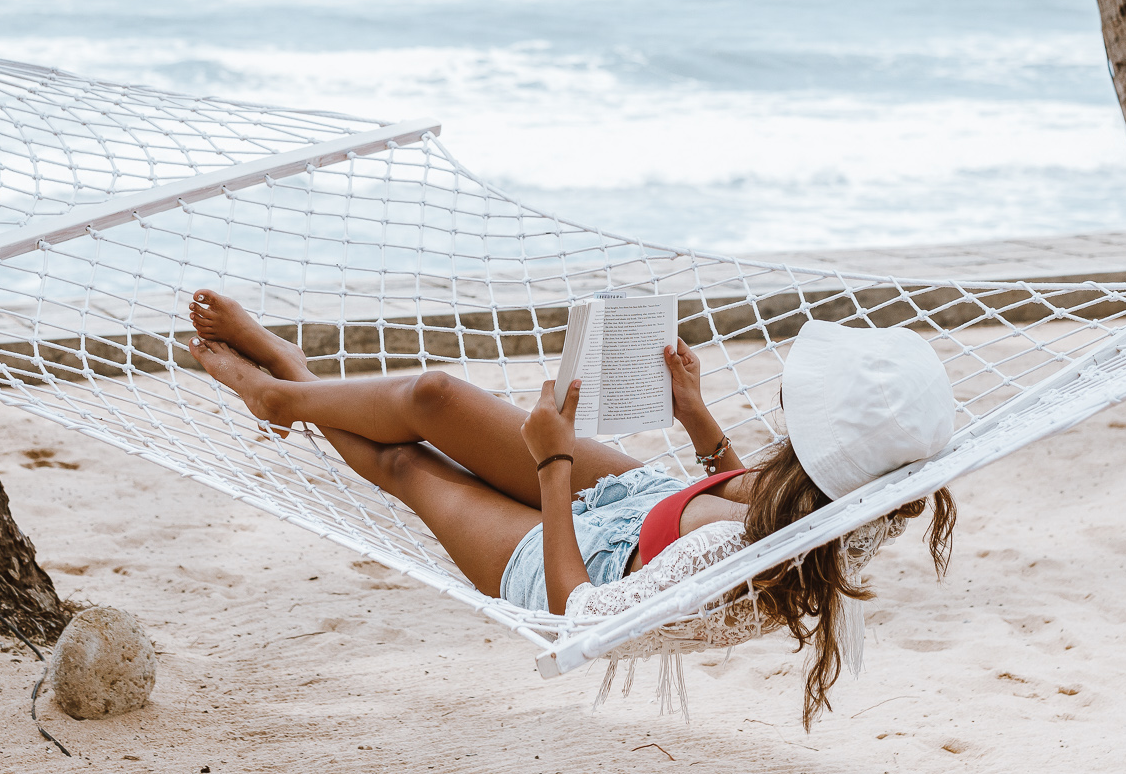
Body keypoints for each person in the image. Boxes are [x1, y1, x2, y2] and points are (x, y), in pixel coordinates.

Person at [185, 289, 959, 726]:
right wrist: (699, 422)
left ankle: (279, 382)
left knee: (404, 463)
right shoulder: (843, 495)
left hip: (571, 570)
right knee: (434, 395)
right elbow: (768, 507)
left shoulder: (726, 560)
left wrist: (554, 460)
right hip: (644, 506)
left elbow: (581, 617)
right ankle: (288, 389)